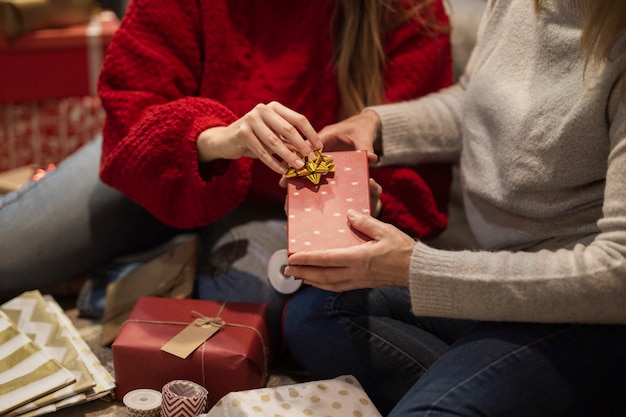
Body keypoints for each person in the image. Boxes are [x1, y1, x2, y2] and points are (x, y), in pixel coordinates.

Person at [0, 0, 453, 350]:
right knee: (10, 250)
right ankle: (145, 260)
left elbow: (415, 176)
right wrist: (218, 139)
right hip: (159, 164)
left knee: (239, 326)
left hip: (275, 211)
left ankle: (137, 264)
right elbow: (131, 113)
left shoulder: (404, 11)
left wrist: (357, 210)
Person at [283, 0, 626, 416]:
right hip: (501, 281)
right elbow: (477, 102)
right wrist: (376, 124)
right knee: (316, 312)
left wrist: (415, 269)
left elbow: (616, 276)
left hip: (587, 312)